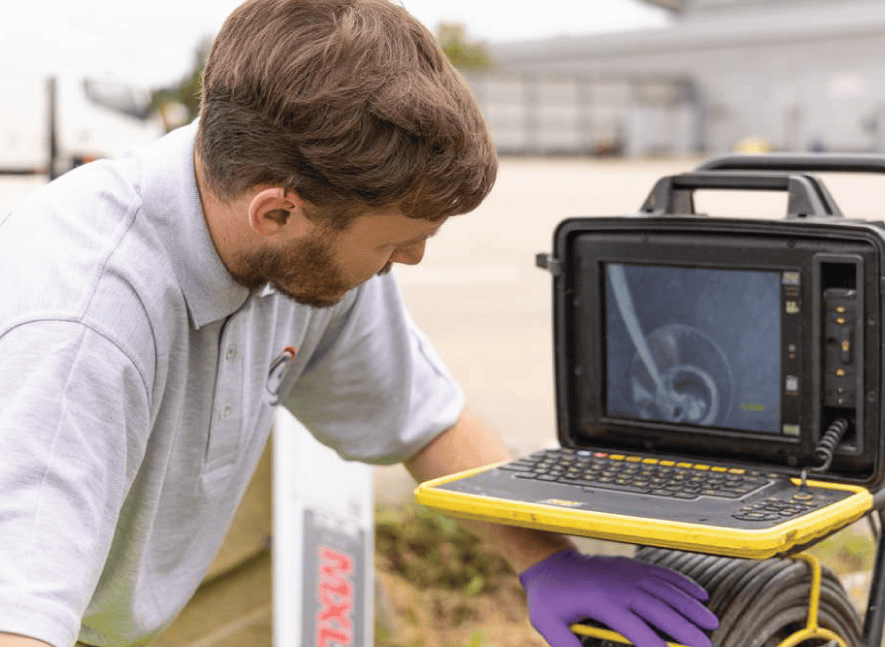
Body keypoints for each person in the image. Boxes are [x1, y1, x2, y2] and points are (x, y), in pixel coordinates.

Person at [0, 1, 719, 646]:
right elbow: (19, 619)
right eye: (394, 241)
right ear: (276, 211)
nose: (412, 257)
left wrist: (551, 562)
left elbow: (423, 417)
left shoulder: (294, 234)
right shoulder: (80, 330)